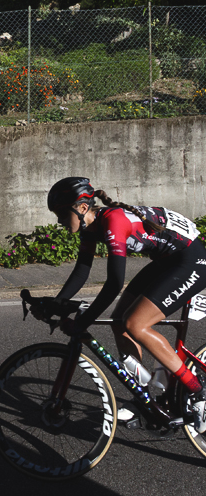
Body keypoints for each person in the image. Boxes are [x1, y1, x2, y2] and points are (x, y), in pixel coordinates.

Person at [47, 176, 206, 431]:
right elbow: (82, 271)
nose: (59, 221)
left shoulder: (113, 221)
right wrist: (57, 303)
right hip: (167, 262)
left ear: (83, 208)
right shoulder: (91, 227)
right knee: (119, 322)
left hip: (190, 260)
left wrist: (84, 321)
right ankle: (145, 399)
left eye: (62, 214)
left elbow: (114, 283)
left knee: (135, 323)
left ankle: (197, 390)